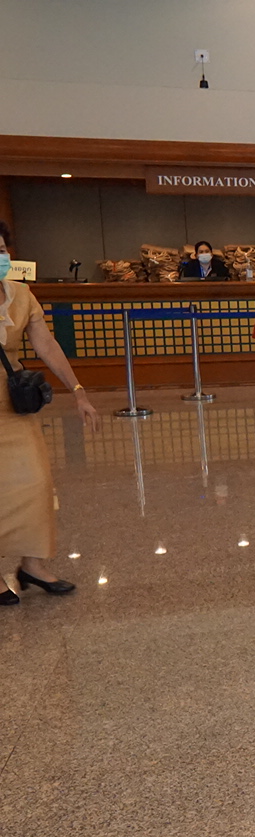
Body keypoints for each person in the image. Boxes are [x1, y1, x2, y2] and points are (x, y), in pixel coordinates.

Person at [0, 222, 101, 603]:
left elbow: (45, 344)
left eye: (2, 250)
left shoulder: (21, 295)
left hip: (12, 402)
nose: (0, 257)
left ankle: (32, 565)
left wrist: (78, 392)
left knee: (36, 480)